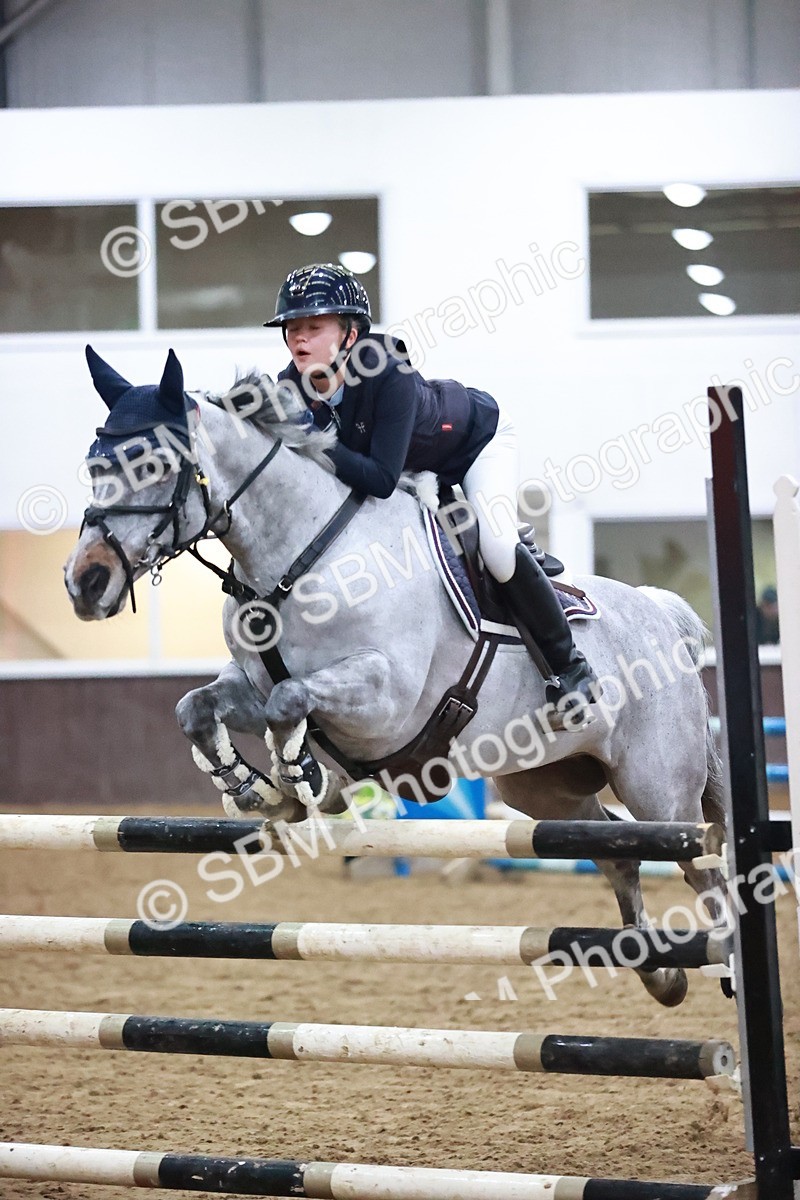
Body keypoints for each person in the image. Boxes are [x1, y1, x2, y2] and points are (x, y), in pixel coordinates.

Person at [265, 262, 598, 718]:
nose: (299, 339)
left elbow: (380, 480)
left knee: (497, 549)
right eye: (292, 328)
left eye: (313, 327)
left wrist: (311, 438)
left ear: (350, 334)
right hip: (418, 471)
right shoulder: (290, 387)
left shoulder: (387, 372)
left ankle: (571, 669)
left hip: (476, 445)